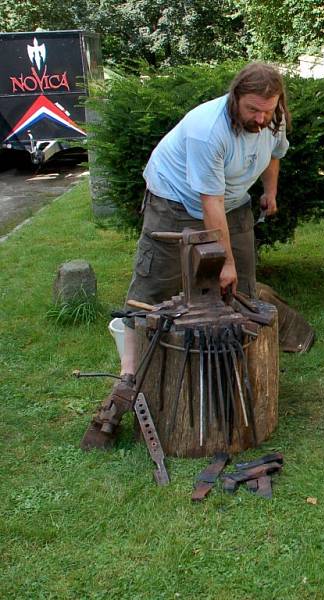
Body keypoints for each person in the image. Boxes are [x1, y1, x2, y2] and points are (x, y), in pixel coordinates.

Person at [81, 62, 290, 450]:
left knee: (242, 293)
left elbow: (275, 153)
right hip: (176, 201)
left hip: (232, 202)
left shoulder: (271, 117)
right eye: (252, 111)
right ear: (234, 99)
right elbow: (207, 204)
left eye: (267, 110)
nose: (261, 118)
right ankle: (127, 379)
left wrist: (270, 191)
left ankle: (238, 379)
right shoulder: (207, 130)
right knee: (150, 293)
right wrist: (222, 261)